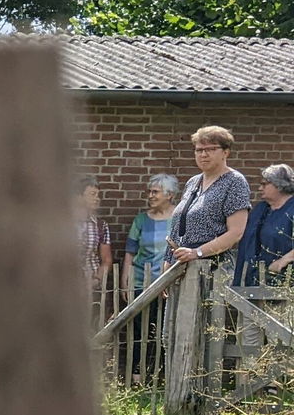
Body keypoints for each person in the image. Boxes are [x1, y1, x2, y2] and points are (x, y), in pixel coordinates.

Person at [121, 174, 178, 384]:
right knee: (139, 330)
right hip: (140, 283)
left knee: (164, 329)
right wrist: (124, 283)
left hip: (167, 284)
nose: (150, 195)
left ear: (170, 195)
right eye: (149, 191)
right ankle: (137, 377)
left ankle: (164, 376)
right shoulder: (141, 220)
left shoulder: (179, 219)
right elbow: (129, 252)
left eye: (155, 192)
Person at [168, 125, 250, 267]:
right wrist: (168, 264)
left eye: (211, 149)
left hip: (213, 267)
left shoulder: (234, 181)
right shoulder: (193, 182)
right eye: (199, 150)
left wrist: (197, 252)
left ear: (226, 152)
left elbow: (236, 232)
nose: (203, 154)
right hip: (181, 266)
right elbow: (177, 230)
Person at [234, 164, 294, 287]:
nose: (260, 188)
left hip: (285, 282)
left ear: (279, 185)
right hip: (254, 279)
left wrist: (283, 261)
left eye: (264, 184)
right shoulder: (261, 210)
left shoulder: (291, 209)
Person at [79, 177, 114, 316]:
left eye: (98, 195)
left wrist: (96, 280)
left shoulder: (100, 226)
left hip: (92, 289)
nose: (97, 199)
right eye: (92, 194)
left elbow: (106, 260)